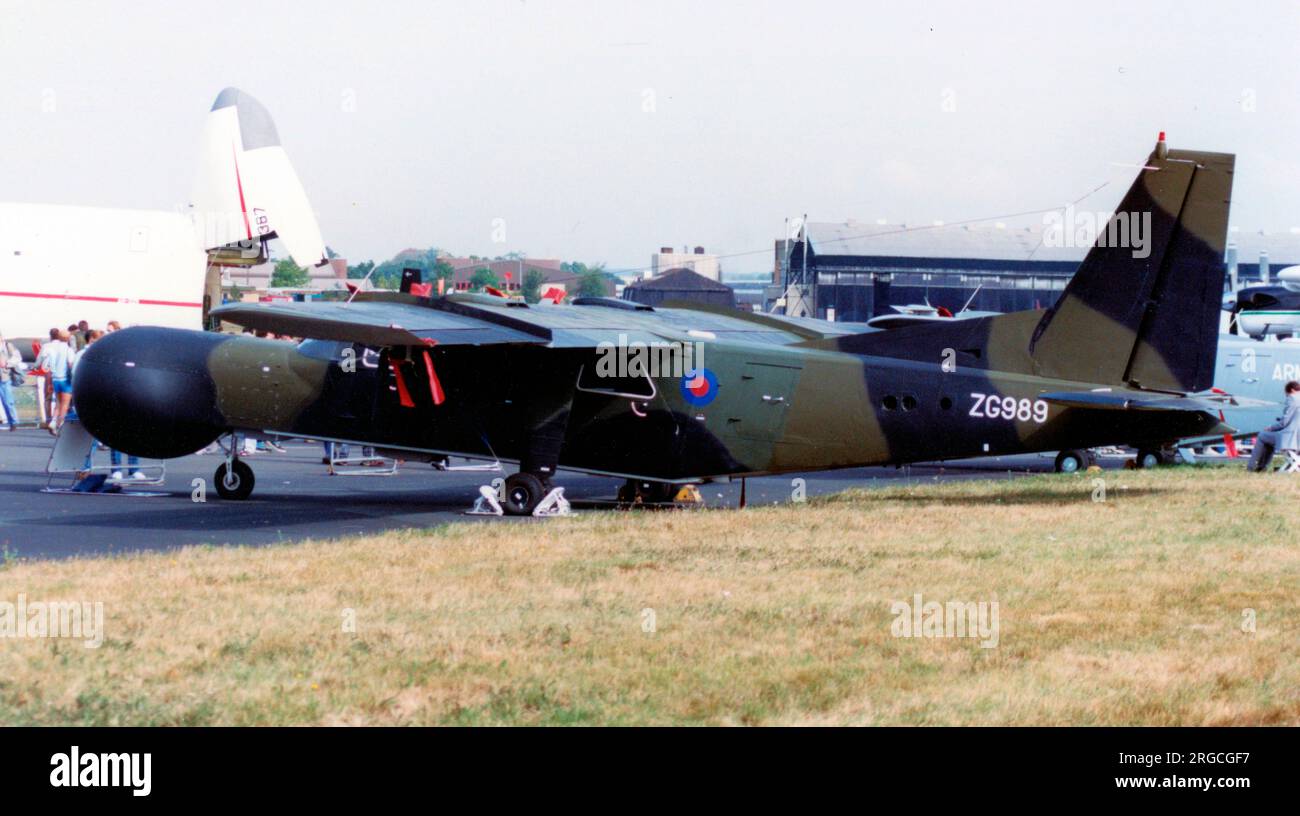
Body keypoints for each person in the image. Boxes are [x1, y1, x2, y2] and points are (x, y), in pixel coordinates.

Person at [1250, 380, 1300, 472]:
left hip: (1291, 438)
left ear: (1292, 390)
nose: (1287, 396)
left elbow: (1284, 422)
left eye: (1287, 394)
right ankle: (1261, 467)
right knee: (1270, 438)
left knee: (1262, 435)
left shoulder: (1293, 398)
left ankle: (1252, 468)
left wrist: (1271, 427)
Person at [33, 328, 73, 434]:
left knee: (57, 402)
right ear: (68, 338)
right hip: (65, 379)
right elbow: (70, 364)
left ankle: (52, 420)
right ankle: (59, 425)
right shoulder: (68, 349)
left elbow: (42, 362)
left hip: (54, 378)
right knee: (65, 404)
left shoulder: (49, 348)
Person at [0, 331, 22, 431]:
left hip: (4, 376)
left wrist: (7, 363)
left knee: (8, 401)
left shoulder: (8, 346)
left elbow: (17, 358)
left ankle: (13, 422)